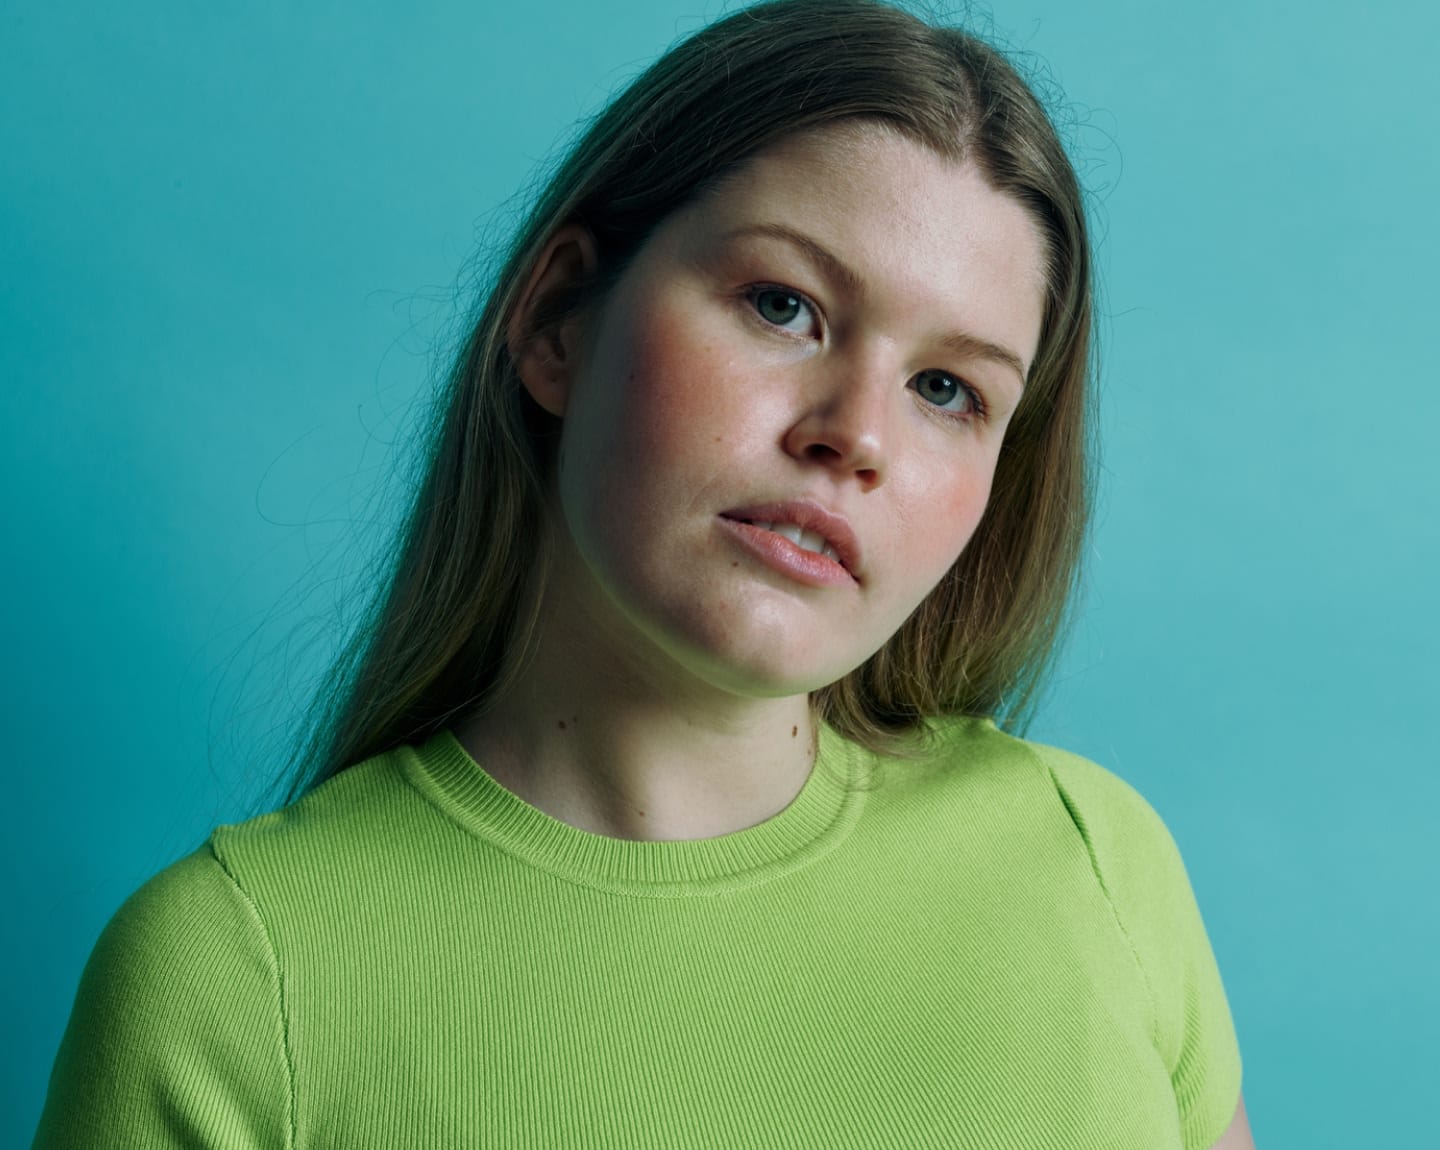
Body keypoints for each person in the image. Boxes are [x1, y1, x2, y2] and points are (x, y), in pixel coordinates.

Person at [33, 0, 1254, 1146]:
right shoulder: (231, 979)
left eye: (949, 389)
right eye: (784, 305)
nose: (856, 433)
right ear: (560, 320)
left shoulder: (1098, 860)